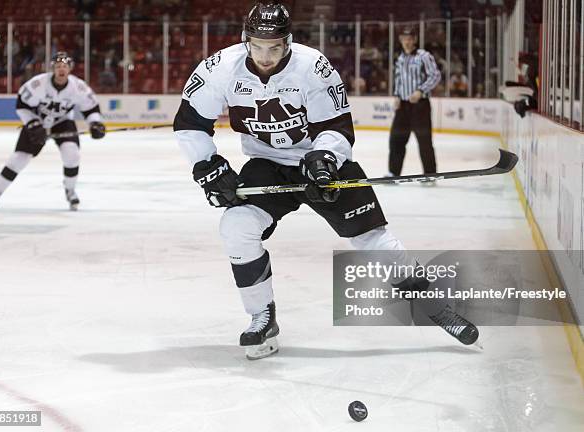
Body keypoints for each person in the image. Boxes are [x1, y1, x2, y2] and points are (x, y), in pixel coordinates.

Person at [174, 2, 478, 360]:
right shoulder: (220, 68)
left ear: (287, 42)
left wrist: (324, 162)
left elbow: (335, 128)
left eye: (274, 47)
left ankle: (434, 307)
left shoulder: (313, 67)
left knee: (371, 239)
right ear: (245, 40)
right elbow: (190, 123)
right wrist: (209, 167)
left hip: (320, 161)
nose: (266, 56)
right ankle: (262, 317)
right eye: (257, 46)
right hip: (268, 163)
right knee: (236, 225)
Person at [0, 52, 106, 211]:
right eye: (58, 66)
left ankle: (70, 190)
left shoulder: (78, 87)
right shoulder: (38, 84)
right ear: (52, 69)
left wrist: (96, 123)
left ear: (70, 69)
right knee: (19, 158)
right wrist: (33, 123)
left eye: (64, 66)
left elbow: (91, 108)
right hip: (38, 121)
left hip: (62, 122)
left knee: (72, 153)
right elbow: (22, 105)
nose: (61, 69)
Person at [389, 27, 441, 183]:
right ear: (400, 39)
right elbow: (398, 79)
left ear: (415, 39)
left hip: (420, 106)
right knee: (396, 140)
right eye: (404, 38)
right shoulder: (400, 58)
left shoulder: (424, 56)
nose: (407, 41)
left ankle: (429, 174)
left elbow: (435, 75)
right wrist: (397, 95)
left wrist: (420, 91)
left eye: (410, 38)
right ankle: (393, 173)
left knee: (424, 141)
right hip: (403, 106)